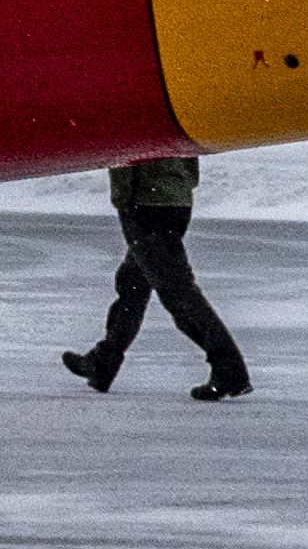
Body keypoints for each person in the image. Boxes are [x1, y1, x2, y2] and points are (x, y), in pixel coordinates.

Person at [64, 150, 250, 399]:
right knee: (133, 283)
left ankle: (229, 370)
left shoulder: (132, 121)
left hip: (147, 205)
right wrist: (179, 185)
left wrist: (124, 202)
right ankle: (103, 361)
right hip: (176, 201)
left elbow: (124, 151)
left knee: (178, 293)